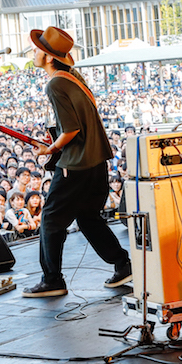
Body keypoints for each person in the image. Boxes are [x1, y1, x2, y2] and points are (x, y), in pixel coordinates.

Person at [23, 26, 131, 298]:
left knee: (49, 220)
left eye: (37, 50)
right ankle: (122, 264)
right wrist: (53, 145)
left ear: (48, 57)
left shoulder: (55, 83)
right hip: (96, 163)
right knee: (88, 218)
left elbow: (71, 130)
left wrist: (51, 149)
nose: (34, 53)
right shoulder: (72, 79)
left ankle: (52, 280)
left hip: (77, 165)